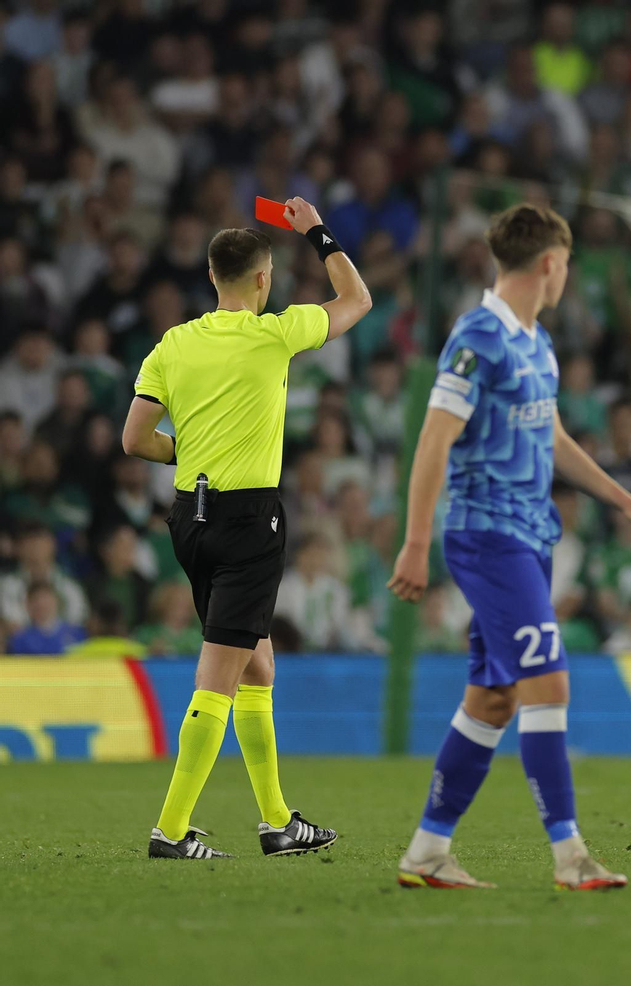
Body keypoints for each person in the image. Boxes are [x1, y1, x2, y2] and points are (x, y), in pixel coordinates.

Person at [388, 203, 631, 891]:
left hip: (531, 535)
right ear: (550, 263)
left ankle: (427, 851)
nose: (566, 277)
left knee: (494, 699)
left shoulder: (535, 342)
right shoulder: (476, 336)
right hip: (488, 537)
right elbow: (434, 438)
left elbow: (549, 438)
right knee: (550, 682)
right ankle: (571, 857)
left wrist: (623, 499)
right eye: (568, 265)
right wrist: (415, 541)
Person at [121, 196, 371, 860]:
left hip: (188, 521)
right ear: (263, 280)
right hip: (248, 523)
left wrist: (192, 453)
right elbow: (357, 299)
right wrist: (315, 230)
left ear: (211, 278)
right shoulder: (275, 332)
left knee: (257, 665)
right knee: (220, 677)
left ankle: (276, 822)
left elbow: (134, 439)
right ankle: (169, 831)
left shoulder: (172, 345)